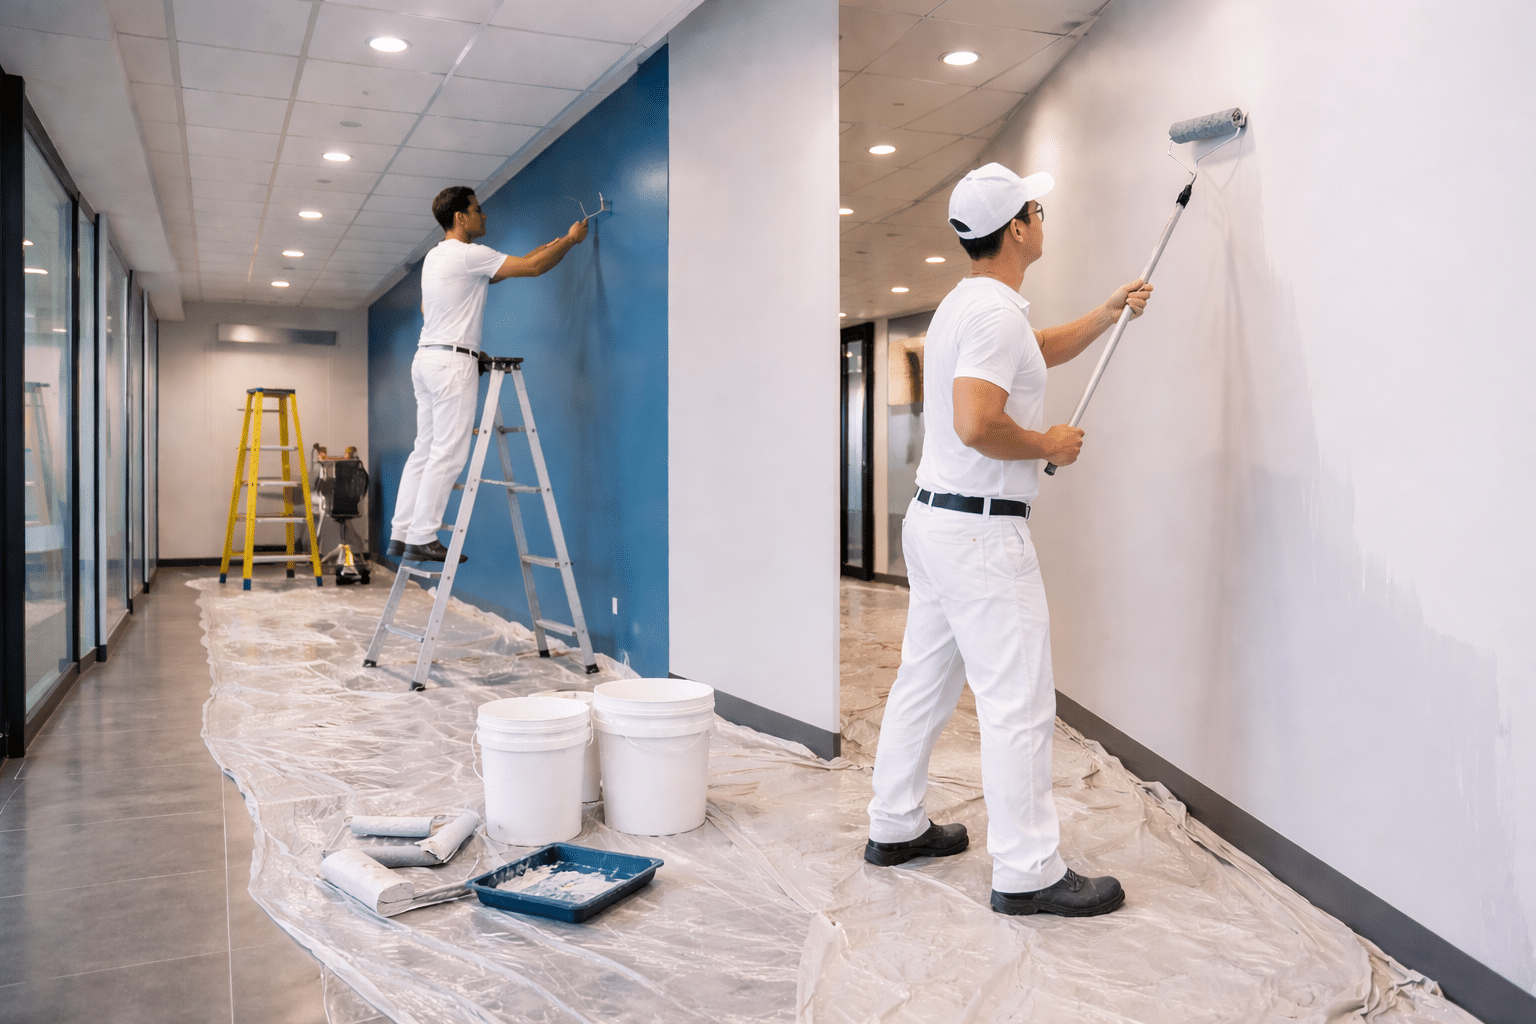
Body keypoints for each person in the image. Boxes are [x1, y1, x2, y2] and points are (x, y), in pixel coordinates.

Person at [864, 163, 1153, 917]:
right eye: (1037, 208)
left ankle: (894, 825)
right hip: (981, 536)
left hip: (939, 525)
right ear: (1017, 228)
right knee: (1018, 702)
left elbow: (1035, 350)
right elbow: (977, 423)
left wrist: (1106, 313)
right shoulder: (993, 315)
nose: (1043, 216)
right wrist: (1048, 444)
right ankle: (1027, 871)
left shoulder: (972, 306)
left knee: (924, 681)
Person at [387, 186, 588, 563]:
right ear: (460, 218)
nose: (484, 216)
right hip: (451, 364)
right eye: (478, 210)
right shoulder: (469, 255)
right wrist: (572, 242)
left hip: (427, 359)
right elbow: (532, 268)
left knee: (424, 450)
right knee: (448, 453)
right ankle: (422, 536)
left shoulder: (436, 258)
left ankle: (401, 534)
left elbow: (511, 267)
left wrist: (554, 244)